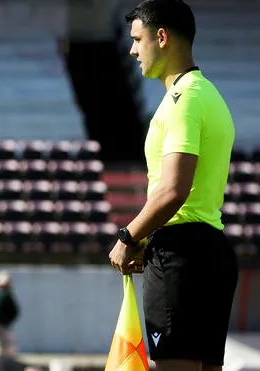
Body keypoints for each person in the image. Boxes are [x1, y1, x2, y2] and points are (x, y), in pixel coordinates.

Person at [109, 1, 238, 371]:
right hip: (211, 249)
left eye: (137, 39)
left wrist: (128, 237)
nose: (132, 50)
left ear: (161, 37)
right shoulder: (208, 94)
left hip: (180, 256)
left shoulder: (183, 101)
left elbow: (173, 191)